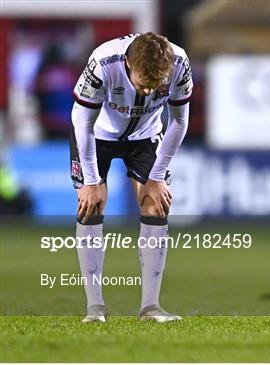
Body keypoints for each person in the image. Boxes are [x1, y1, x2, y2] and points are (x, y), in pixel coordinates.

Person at [70, 32, 192, 323]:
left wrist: (157, 176)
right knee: (91, 206)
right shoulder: (103, 63)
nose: (149, 93)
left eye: (156, 86)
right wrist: (90, 181)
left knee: (156, 203)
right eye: (143, 84)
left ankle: (150, 308)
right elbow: (82, 121)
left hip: (145, 135)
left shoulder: (180, 63)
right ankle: (95, 308)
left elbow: (178, 121)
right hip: (96, 135)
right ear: (127, 64)